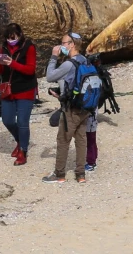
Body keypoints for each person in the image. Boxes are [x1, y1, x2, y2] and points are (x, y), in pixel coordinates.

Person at [43, 33, 91, 184]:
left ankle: (59, 174)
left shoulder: (68, 64)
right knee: (81, 140)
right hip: (85, 105)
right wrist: (61, 93)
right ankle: (80, 175)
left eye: (63, 43)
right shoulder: (85, 60)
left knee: (63, 140)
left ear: (72, 44)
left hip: (70, 109)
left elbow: (49, 76)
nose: (61, 46)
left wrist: (54, 57)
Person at [0, 23, 37, 166]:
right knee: (7, 120)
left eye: (13, 38)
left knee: (22, 122)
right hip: (9, 90)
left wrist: (12, 63)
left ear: (20, 35)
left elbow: (30, 70)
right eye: (8, 38)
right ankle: (20, 141)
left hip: (25, 89)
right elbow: (0, 71)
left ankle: (23, 151)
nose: (10, 41)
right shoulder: (4, 47)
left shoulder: (28, 47)